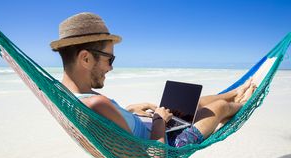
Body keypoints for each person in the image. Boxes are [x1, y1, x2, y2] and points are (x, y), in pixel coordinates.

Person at [50, 12, 256, 147]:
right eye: (109, 58)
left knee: (191, 104)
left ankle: (234, 92)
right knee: (218, 107)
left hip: (147, 125)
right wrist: (159, 120)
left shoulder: (66, 94)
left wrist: (130, 109)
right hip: (166, 142)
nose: (111, 67)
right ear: (85, 58)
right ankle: (243, 102)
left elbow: (110, 122)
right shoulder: (96, 102)